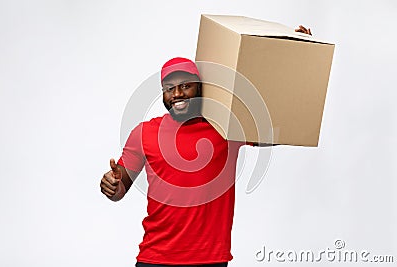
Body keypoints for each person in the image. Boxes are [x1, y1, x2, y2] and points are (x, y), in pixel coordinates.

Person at [100, 26, 312, 267]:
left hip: (210, 260)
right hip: (155, 259)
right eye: (169, 88)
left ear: (199, 88)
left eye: (185, 85)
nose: (177, 94)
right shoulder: (144, 133)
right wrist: (111, 185)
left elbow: (281, 126)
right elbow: (118, 191)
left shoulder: (226, 127)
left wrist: (297, 54)